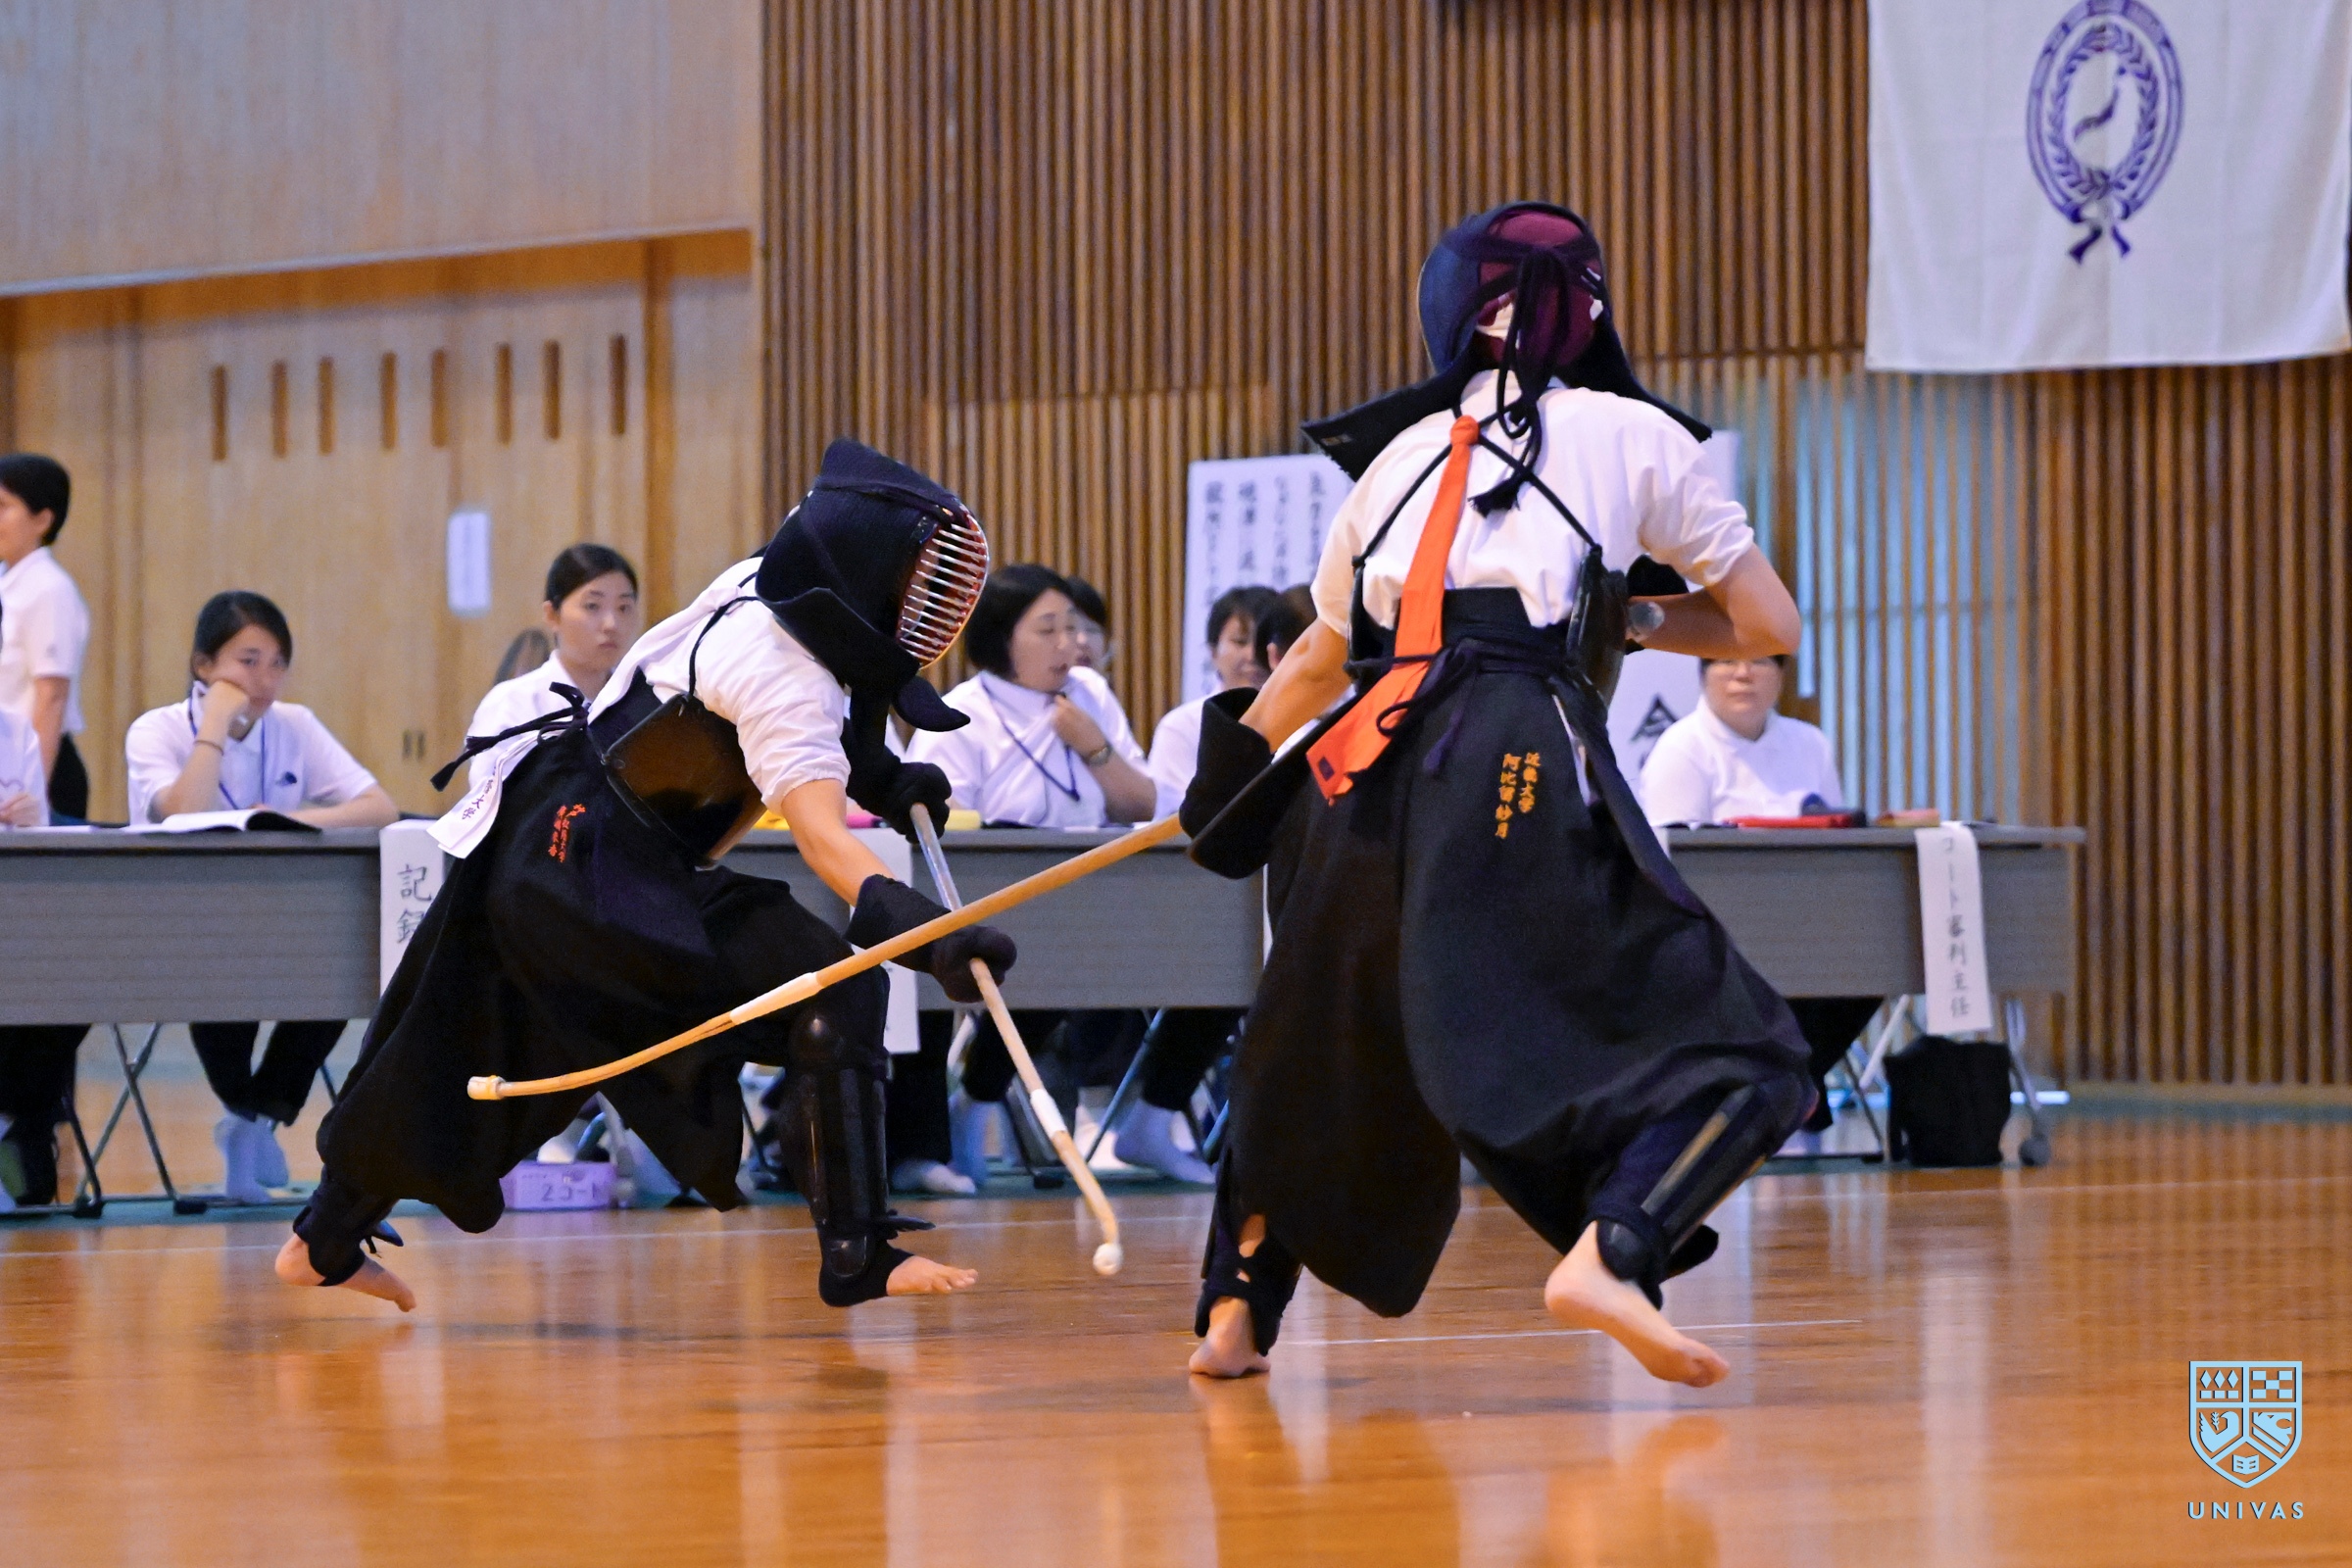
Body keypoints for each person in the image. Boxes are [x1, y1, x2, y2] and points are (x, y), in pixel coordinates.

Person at [1178, 201, 1814, 1387]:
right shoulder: (1631, 433)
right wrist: (1630, 613)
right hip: (1507, 752)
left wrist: (1222, 782)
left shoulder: (1394, 459)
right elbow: (1766, 624)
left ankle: (1234, 1312)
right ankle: (1616, 1249)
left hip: (1352, 772)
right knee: (1755, 1053)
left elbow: (1315, 661)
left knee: (1316, 1034)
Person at [277, 439, 1014, 1312]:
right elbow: (823, 839)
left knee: (465, 1038)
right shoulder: (783, 676)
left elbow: (828, 715)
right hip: (592, 869)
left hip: (573, 838)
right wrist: (932, 936)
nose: (925, 603)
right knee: (833, 990)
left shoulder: (768, 583)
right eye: (912, 582)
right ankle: (858, 1252)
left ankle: (322, 1240)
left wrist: (883, 778)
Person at [899, 565, 1179, 1179]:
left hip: (1090, 889)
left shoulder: (1089, 694)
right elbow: (939, 829)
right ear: (1000, 638)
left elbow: (1141, 805)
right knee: (1028, 959)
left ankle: (990, 1102)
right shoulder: (960, 712)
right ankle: (954, 1120)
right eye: (1048, 630)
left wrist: (1093, 746)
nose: (1069, 644)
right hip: (992, 893)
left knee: (1157, 955)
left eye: (1072, 628)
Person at [123, 592, 401, 1202]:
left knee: (339, 972)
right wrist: (215, 726)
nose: (265, 680)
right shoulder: (156, 730)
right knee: (227, 978)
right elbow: (183, 811)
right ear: (203, 665)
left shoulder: (294, 725)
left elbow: (378, 806)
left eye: (277, 664)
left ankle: (254, 1118)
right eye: (247, 662)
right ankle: (248, 1116)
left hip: (279, 920)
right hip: (183, 924)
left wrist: (291, 818)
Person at [1642, 653, 1879, 1139]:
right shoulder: (1682, 747)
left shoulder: (1809, 743)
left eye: (1759, 662)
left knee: (1872, 957)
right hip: (1721, 930)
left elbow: (1836, 836)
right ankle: (1778, 1094)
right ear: (1703, 674)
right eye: (1726, 661)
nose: (1743, 674)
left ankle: (1788, 1088)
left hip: (1810, 920)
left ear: (1782, 674)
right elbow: (1669, 863)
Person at [0, 604, 83, 1210]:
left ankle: (12, 1127)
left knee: (77, 981)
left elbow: (39, 850)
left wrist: (33, 820)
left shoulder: (14, 731)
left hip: (16, 921)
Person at [466, 545, 644, 787]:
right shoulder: (513, 704)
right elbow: (490, 797)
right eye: (592, 606)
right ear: (552, 614)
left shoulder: (642, 702)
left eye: (624, 608)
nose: (611, 624)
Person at [0, 454, 92, 820]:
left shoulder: (49, 588)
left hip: (38, 765)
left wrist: (31, 786)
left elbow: (51, 695)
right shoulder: (8, 581)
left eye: (3, 507)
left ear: (42, 519)